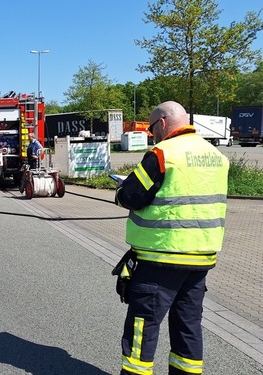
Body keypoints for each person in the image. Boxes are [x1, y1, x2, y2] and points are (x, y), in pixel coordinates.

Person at [113, 101, 229, 375]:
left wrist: (121, 189)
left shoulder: (163, 154)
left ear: (162, 123)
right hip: (201, 258)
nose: (152, 134)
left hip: (161, 257)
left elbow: (131, 196)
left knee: (143, 327)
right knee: (188, 326)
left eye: (152, 128)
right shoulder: (215, 155)